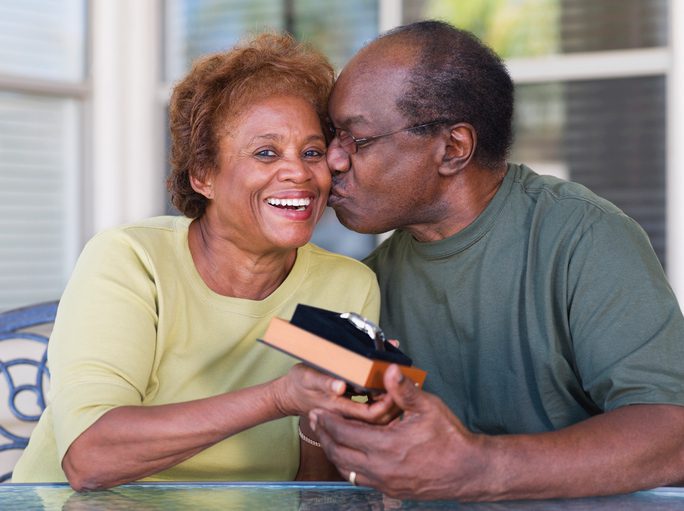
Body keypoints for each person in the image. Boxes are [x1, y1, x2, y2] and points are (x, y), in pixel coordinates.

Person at [310, 20, 684, 501]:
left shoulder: (584, 237)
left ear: (453, 148)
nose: (332, 161)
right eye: (331, 136)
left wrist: (478, 467)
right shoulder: (367, 282)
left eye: (355, 139)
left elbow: (672, 433)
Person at [12, 32, 389, 490]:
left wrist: (323, 420)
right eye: (266, 152)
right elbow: (90, 458)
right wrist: (281, 397)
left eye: (312, 152)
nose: (299, 172)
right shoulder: (132, 260)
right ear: (204, 175)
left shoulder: (346, 286)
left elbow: (317, 489)